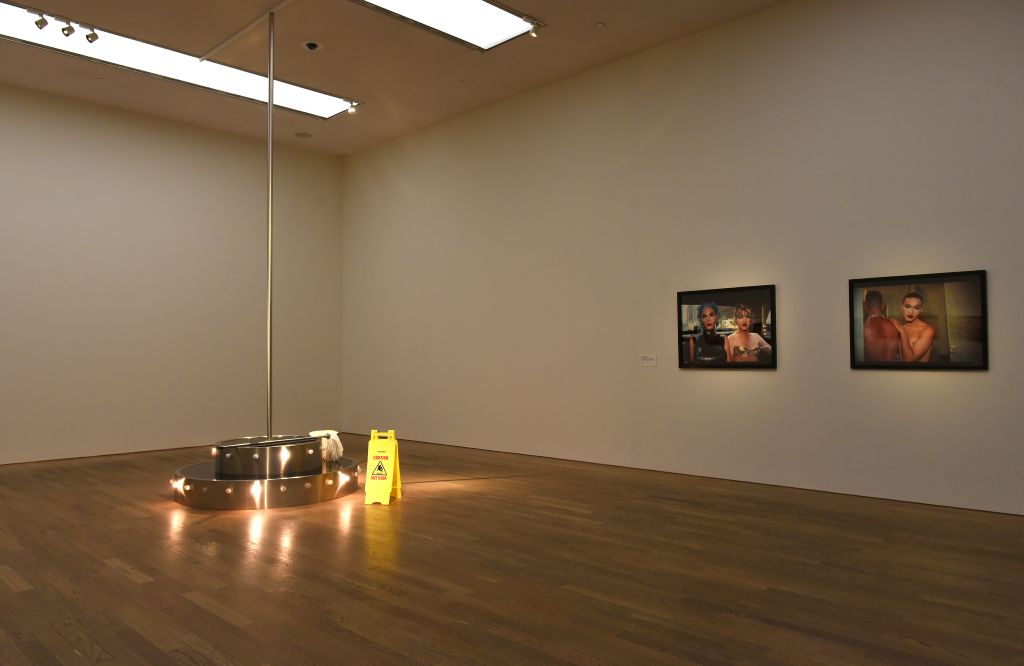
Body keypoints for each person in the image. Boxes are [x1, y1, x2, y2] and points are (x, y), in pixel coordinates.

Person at [890, 292, 935, 363]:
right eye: (907, 306)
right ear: (901, 307)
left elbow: (909, 360)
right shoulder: (899, 327)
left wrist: (903, 331)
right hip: (901, 373)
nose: (911, 311)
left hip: (919, 373)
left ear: (921, 310)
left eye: (916, 308)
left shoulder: (927, 330)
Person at [862, 290, 900, 362]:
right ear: (883, 306)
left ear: (865, 306)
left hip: (874, 371)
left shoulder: (864, 327)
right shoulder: (895, 325)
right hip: (894, 369)